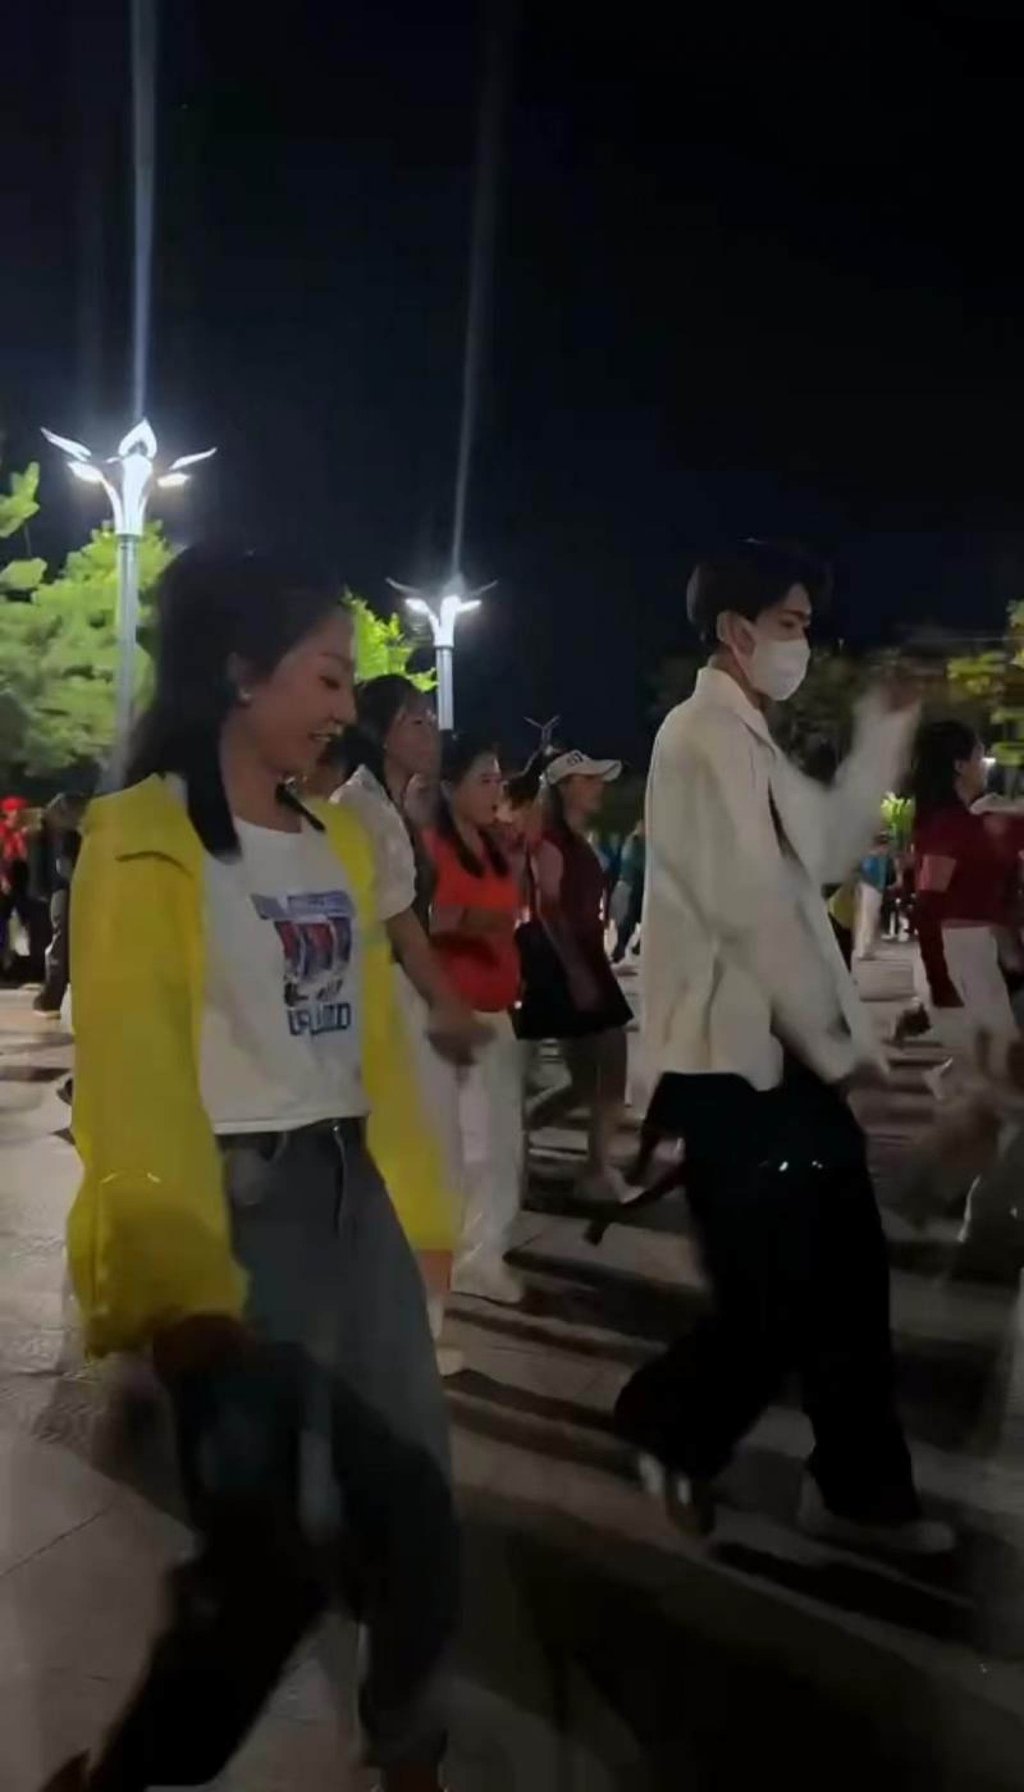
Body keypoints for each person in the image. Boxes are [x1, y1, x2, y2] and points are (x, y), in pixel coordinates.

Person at [46, 549, 458, 1792]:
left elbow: (371, 1049)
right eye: (326, 677)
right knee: (267, 1569)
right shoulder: (141, 837)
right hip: (232, 1211)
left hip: (349, 1193)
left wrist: (420, 1207)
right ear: (238, 670)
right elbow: (132, 1072)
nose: (345, 707)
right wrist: (178, 1283)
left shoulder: (336, 840)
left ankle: (409, 1753)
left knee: (417, 1505)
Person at [614, 539, 952, 1556]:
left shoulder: (747, 739)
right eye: (791, 624)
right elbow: (750, 907)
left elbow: (829, 849)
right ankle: (670, 1423)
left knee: (837, 1279)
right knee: (782, 1293)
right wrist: (836, 1046)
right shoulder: (697, 739)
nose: (804, 643)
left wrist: (882, 731)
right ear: (736, 630)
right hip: (735, 1069)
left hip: (775, 1064)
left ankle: (856, 1490)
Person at [327, 675, 487, 1372]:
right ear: (381, 732)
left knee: (419, 1163)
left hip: (392, 1002)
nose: (431, 732)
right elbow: (402, 929)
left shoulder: (382, 806)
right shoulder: (361, 809)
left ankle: (410, 1326)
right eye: (416, 720)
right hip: (387, 1005)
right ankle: (413, 1333)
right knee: (424, 1164)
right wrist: (447, 1004)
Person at [906, 718, 1024, 1274]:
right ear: (958, 763)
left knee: (997, 1090)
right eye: (978, 754)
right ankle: (976, 1216)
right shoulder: (948, 828)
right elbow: (930, 905)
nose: (984, 762)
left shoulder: (965, 821)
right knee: (1008, 1094)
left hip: (977, 960)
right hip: (964, 963)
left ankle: (944, 1193)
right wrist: (939, 984)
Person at [425, 734, 525, 1305]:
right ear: (449, 788)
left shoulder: (492, 848)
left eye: (498, 780)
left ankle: (483, 1251)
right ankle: (473, 1258)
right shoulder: (433, 848)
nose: (495, 791)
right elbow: (425, 919)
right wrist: (476, 923)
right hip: (458, 1013)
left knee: (502, 1138)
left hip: (496, 1008)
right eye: (483, 780)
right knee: (478, 1142)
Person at [520, 750, 634, 1202]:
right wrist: (576, 971)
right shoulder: (552, 841)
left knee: (591, 1081)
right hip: (567, 960)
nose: (599, 787)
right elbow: (548, 907)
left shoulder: (576, 840)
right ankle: (596, 1171)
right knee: (608, 1069)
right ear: (564, 787)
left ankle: (521, 1133)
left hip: (581, 958)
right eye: (589, 779)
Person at [33, 792, 85, 1015]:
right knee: (61, 937)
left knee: (63, 938)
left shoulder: (59, 828)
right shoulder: (53, 829)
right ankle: (53, 996)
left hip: (72, 884)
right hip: (65, 885)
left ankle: (54, 996)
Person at [611, 819, 645, 965]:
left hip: (634, 886)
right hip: (631, 886)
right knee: (630, 921)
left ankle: (635, 946)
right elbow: (640, 864)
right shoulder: (634, 843)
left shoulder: (635, 843)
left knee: (634, 920)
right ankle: (621, 950)